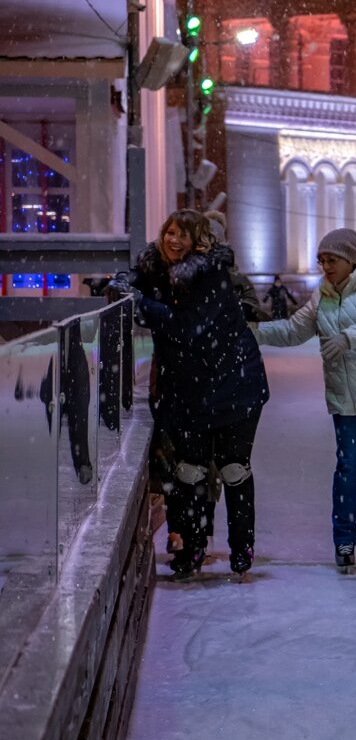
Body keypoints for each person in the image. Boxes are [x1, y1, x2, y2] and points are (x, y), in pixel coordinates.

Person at [253, 228, 356, 572]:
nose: (326, 266)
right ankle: (344, 539)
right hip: (347, 400)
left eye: (332, 260)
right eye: (321, 260)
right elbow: (293, 330)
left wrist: (348, 337)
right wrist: (251, 332)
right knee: (348, 471)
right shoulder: (322, 296)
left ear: (351, 259)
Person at [118, 209, 270, 576]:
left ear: (199, 241)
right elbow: (141, 280)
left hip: (235, 385)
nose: (174, 240)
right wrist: (121, 283)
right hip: (190, 391)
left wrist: (140, 303)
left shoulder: (210, 276)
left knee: (233, 469)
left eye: (183, 235)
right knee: (190, 473)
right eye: (170, 231)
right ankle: (193, 548)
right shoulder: (158, 268)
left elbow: (186, 327)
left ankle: (241, 547)